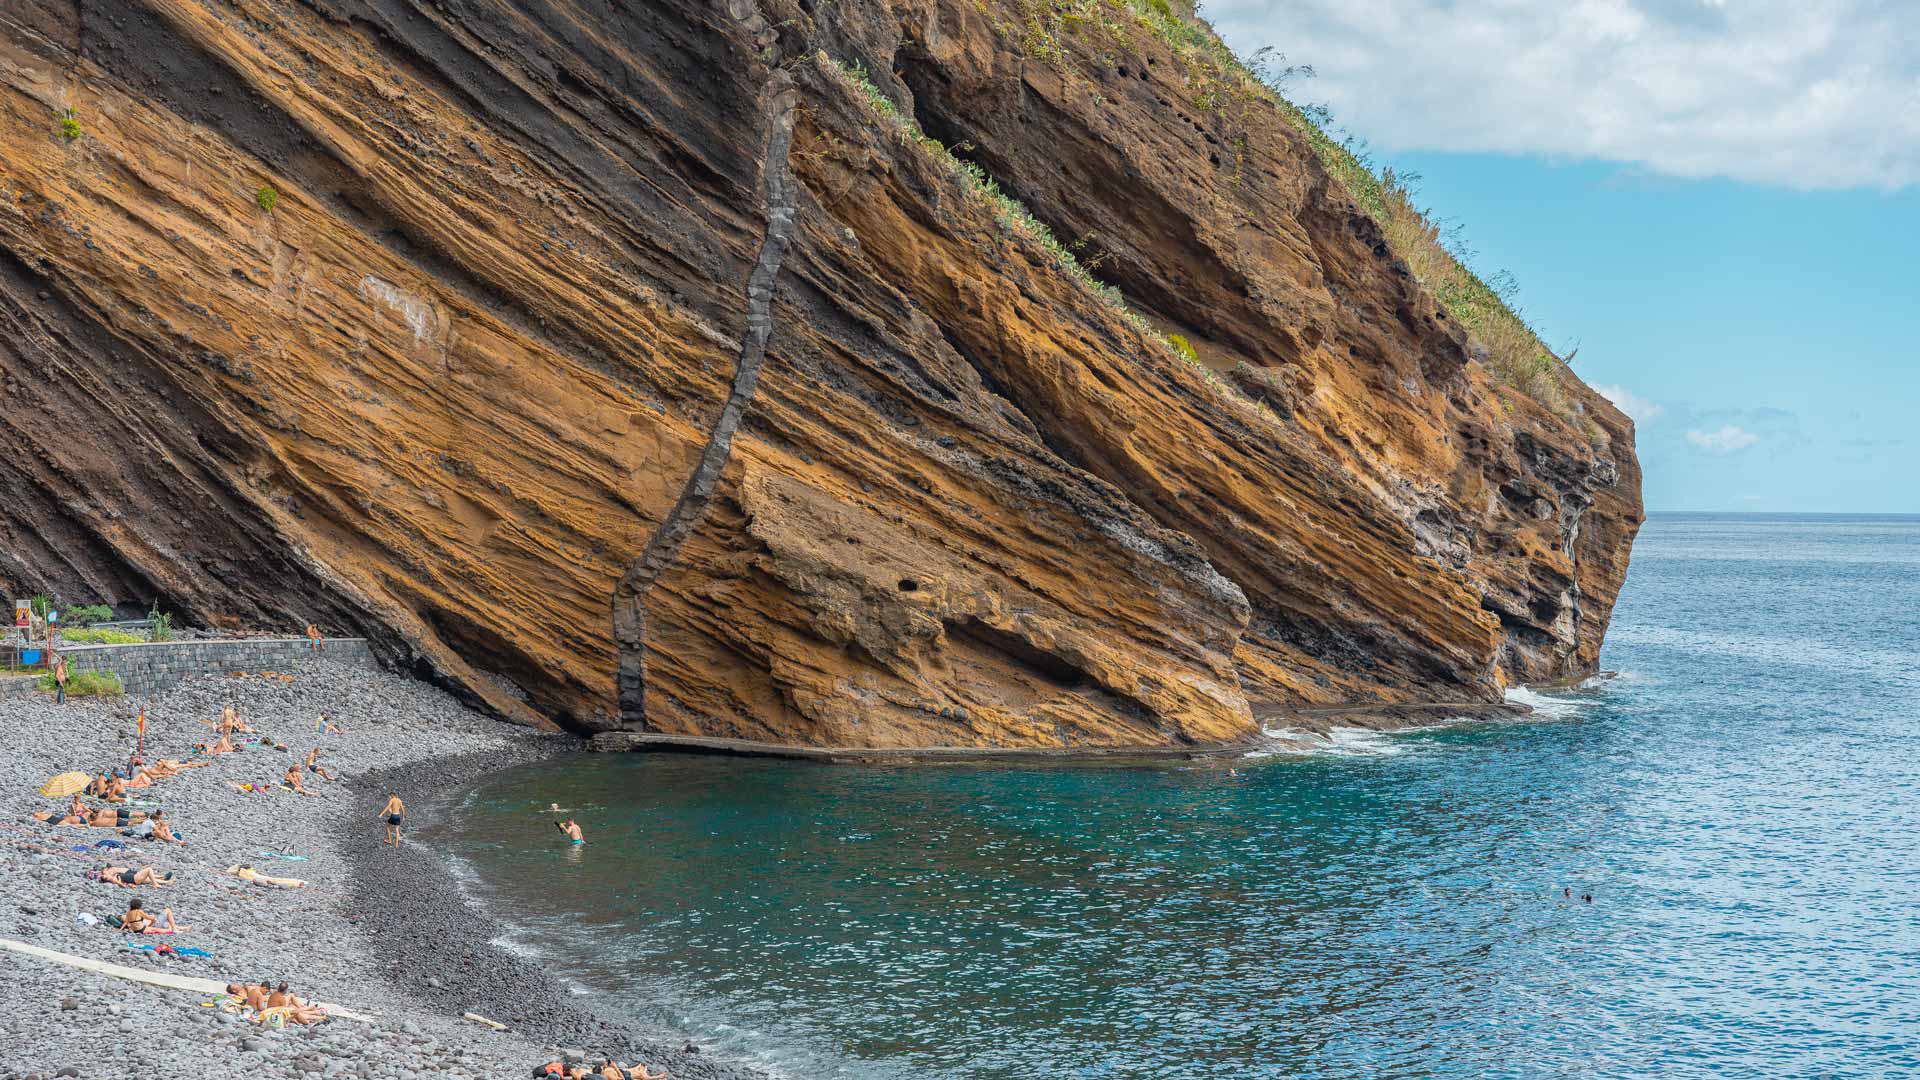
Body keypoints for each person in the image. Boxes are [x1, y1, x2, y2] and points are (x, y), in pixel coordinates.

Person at [228, 864, 306, 889]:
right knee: (276, 880)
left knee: (276, 880)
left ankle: (297, 883)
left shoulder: (243, 872)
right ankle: (297, 883)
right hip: (257, 877)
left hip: (256, 877)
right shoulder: (244, 871)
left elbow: (230, 871)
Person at [89, 865, 173, 888]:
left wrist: (127, 884)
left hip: (134, 879)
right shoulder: (113, 879)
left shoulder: (113, 877)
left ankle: (167, 882)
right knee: (149, 869)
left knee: (149, 879)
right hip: (134, 878)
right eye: (105, 876)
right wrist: (123, 885)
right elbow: (120, 884)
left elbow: (122, 883)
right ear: (106, 878)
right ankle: (155, 884)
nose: (105, 875)